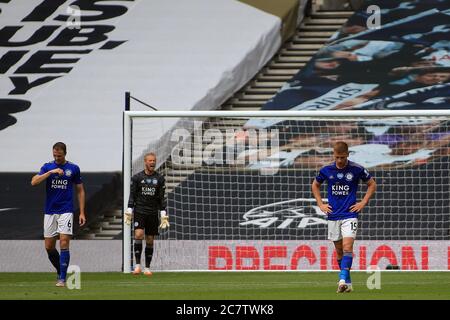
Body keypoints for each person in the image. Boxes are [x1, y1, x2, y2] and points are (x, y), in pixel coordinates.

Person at [311, 141, 376, 293]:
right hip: (333, 216)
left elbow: (372, 184)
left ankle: (341, 280)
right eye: (337, 157)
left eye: (342, 157)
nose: (339, 160)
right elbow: (315, 185)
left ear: (348, 154)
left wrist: (363, 202)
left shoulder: (356, 169)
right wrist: (321, 204)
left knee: (347, 248)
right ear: (333, 155)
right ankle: (348, 283)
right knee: (339, 251)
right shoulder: (327, 170)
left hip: (350, 215)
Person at [31, 142, 86, 287]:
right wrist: (50, 173)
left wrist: (81, 212)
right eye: (54, 155)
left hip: (66, 210)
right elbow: (34, 182)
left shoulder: (73, 168)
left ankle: (62, 278)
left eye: (59, 155)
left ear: (65, 153)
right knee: (49, 247)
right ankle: (60, 270)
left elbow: (80, 190)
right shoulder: (48, 166)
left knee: (64, 242)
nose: (57, 157)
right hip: (50, 211)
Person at [125, 152, 168, 276]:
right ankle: (137, 266)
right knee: (138, 234)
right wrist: (129, 210)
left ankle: (147, 267)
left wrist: (163, 213)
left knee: (150, 240)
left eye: (154, 161)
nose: (152, 163)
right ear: (145, 162)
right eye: (150, 161)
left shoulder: (159, 179)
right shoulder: (137, 178)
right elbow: (132, 195)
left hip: (152, 213)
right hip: (140, 211)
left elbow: (161, 198)